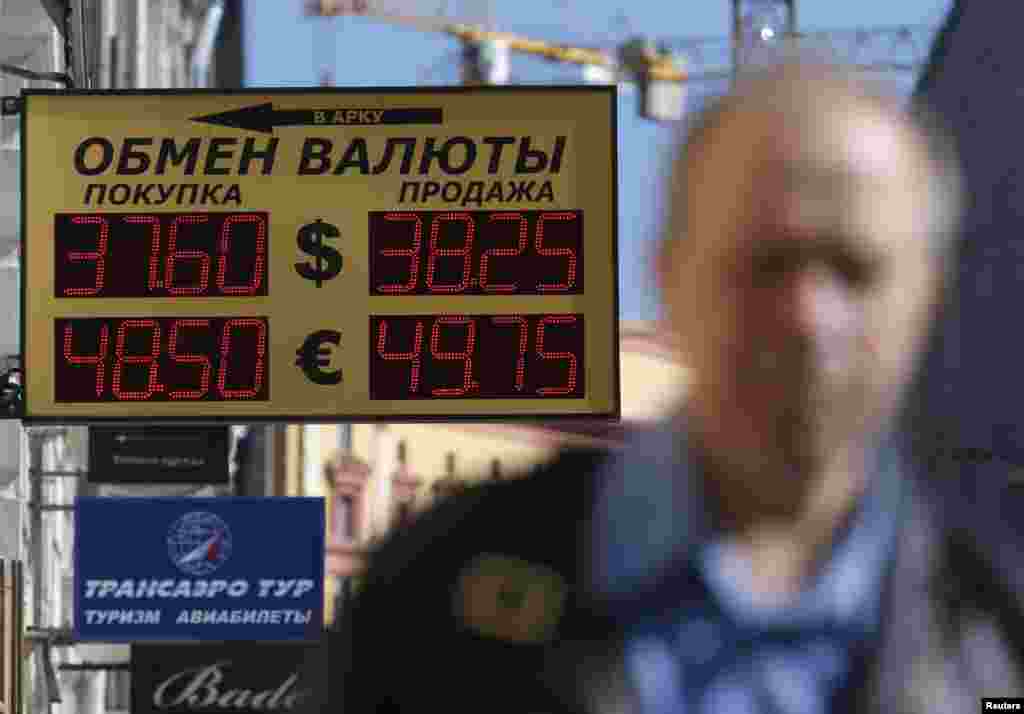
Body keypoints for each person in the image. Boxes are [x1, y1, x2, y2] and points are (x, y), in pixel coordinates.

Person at [300, 61, 1024, 714]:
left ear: (927, 297)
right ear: (668, 274)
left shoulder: (998, 641)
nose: (808, 316)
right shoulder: (432, 596)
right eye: (765, 263)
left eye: (854, 267)